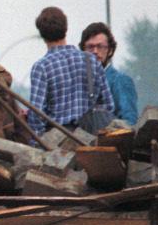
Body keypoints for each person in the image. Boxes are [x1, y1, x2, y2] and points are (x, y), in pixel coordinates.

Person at [28, 7, 114, 136]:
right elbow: (108, 104)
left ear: (42, 35)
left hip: (59, 142)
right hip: (92, 140)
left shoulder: (42, 67)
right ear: (66, 29)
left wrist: (37, 142)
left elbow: (36, 115)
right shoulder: (90, 60)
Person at [79, 22, 138, 125]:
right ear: (83, 50)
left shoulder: (120, 80)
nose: (95, 51)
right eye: (90, 47)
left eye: (100, 47)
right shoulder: (78, 82)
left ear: (110, 50)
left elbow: (130, 122)